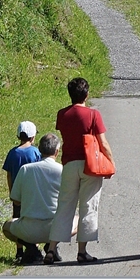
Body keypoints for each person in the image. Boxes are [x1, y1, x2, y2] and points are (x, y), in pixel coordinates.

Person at [49, 77, 113, 264]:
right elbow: (103, 142)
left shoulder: (62, 114)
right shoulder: (94, 115)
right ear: (87, 94)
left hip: (69, 164)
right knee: (88, 206)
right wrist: (110, 161)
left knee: (64, 206)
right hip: (89, 165)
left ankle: (51, 249)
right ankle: (82, 251)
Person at [3, 132, 62, 263]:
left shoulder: (25, 169)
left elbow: (16, 200)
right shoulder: (62, 170)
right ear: (57, 151)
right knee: (77, 220)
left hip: (29, 228)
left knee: (6, 226)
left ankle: (31, 248)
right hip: (54, 229)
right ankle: (51, 246)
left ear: (39, 150)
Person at [2, 121, 42, 261]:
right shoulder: (35, 152)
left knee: (17, 220)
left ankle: (19, 251)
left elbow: (8, 174)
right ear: (32, 137)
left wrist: (11, 191)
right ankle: (33, 246)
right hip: (31, 193)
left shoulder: (12, 153)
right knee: (32, 219)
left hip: (17, 194)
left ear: (18, 136)